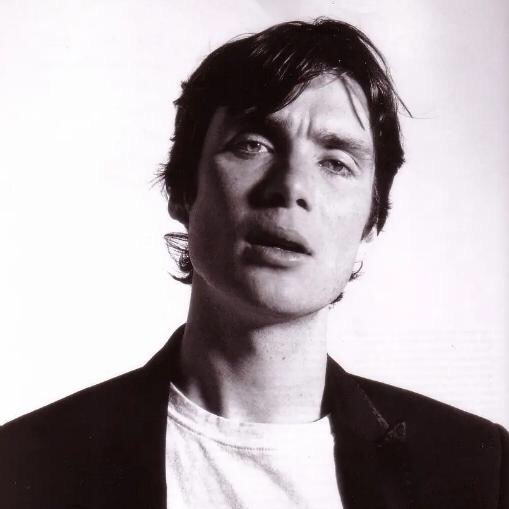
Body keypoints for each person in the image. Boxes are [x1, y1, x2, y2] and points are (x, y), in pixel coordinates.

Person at [0, 17, 507, 509]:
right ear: (183, 190)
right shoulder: (26, 466)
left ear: (371, 223)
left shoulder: (479, 471)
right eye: (253, 145)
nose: (290, 187)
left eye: (336, 163)